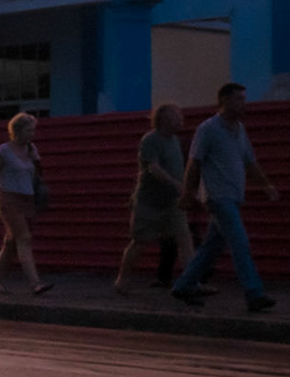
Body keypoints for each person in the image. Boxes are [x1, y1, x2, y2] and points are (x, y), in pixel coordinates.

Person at [171, 83, 280, 312]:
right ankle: (254, 293)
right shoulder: (208, 129)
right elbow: (194, 162)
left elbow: (250, 162)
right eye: (239, 99)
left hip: (233, 196)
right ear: (225, 101)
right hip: (218, 198)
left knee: (211, 247)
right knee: (240, 244)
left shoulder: (240, 130)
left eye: (244, 99)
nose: (243, 103)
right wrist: (189, 192)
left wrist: (265, 184)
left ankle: (183, 285)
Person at [114, 103, 195, 295]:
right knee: (139, 241)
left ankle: (192, 281)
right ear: (164, 119)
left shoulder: (175, 140)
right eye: (176, 116)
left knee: (185, 239)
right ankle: (122, 280)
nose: (181, 119)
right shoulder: (150, 140)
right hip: (149, 203)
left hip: (173, 203)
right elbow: (153, 167)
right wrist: (176, 184)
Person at [0, 113, 51, 296]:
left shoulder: (32, 149)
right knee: (24, 238)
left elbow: (37, 175)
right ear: (17, 131)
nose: (32, 134)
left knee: (11, 242)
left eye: (33, 130)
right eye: (28, 130)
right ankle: (35, 283)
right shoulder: (3, 151)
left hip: (28, 199)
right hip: (9, 200)